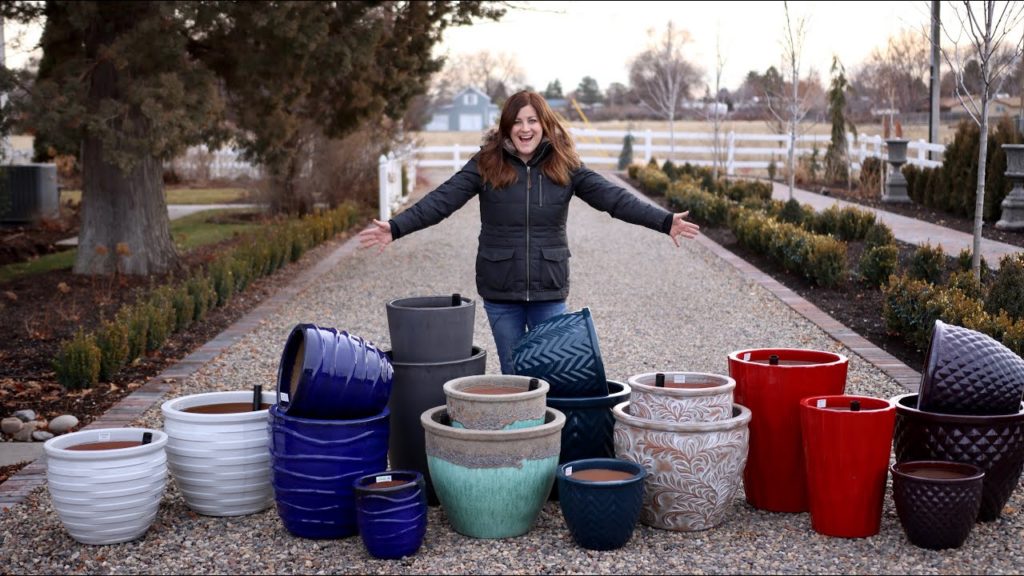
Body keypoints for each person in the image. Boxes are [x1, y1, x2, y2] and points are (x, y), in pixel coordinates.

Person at [358, 90, 700, 374]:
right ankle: (520, 450)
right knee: (515, 376)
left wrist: (664, 221)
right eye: (517, 122)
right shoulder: (486, 164)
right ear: (507, 128)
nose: (525, 129)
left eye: (532, 121)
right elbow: (442, 200)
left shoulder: (564, 166)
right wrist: (396, 227)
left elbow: (614, 199)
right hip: (500, 289)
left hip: (548, 290)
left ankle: (547, 448)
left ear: (544, 124)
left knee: (549, 375)